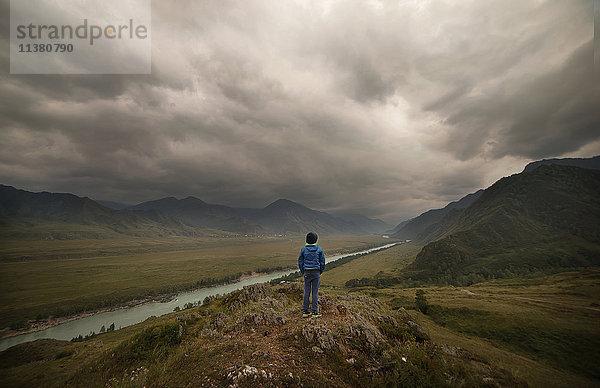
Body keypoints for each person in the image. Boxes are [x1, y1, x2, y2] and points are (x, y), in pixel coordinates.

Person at [298, 231, 325, 317]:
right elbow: (322, 262)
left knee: (307, 291)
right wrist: (320, 271)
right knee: (315, 292)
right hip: (316, 272)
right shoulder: (319, 249)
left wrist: (303, 271)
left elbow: (300, 262)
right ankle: (314, 312)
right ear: (316, 240)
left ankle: (305, 311)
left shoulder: (303, 249)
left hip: (307, 272)